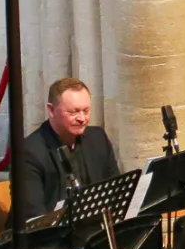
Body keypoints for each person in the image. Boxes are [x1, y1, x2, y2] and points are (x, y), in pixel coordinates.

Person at [15, 76, 121, 219]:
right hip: (47, 237)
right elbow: (34, 216)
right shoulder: (28, 152)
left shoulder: (98, 138)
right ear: (51, 110)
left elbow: (116, 191)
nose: (82, 118)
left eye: (86, 110)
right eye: (73, 112)